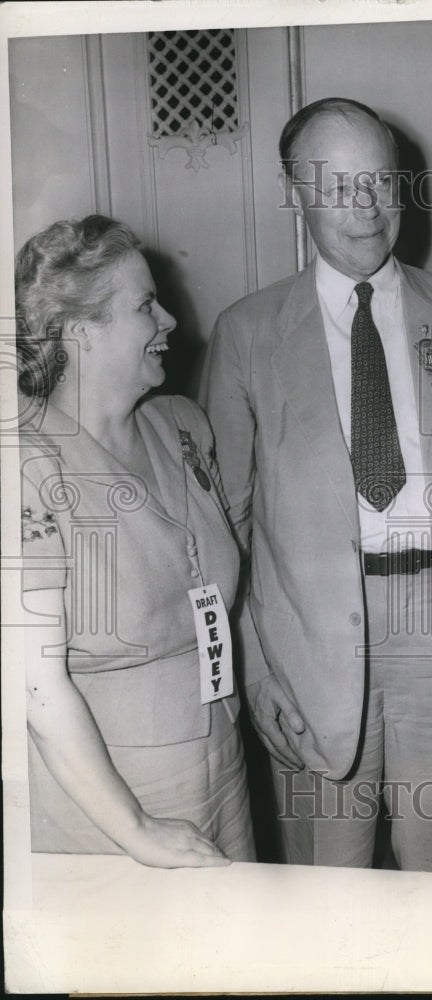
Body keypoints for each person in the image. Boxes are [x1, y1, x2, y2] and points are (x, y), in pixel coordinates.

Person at [200, 97, 432, 873]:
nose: (368, 207)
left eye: (381, 181)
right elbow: (223, 532)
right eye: (339, 186)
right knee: (325, 896)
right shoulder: (246, 335)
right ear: (297, 195)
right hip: (306, 649)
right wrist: (252, 669)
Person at [17, 215, 256, 866]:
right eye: (146, 306)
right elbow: (35, 685)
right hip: (112, 806)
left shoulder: (181, 424)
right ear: (81, 330)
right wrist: (139, 830)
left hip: (223, 765)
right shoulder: (26, 467)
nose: (171, 322)